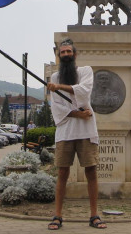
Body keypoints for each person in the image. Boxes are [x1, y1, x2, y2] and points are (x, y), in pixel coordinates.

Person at [46, 39, 107, 230]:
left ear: (74, 54)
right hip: (65, 131)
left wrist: (60, 88)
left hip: (86, 130)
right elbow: (57, 107)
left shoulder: (85, 72)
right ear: (58, 56)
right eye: (62, 52)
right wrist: (78, 114)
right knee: (63, 172)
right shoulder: (55, 77)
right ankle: (57, 216)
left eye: (68, 52)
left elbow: (84, 91)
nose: (65, 55)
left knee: (91, 171)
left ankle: (94, 215)